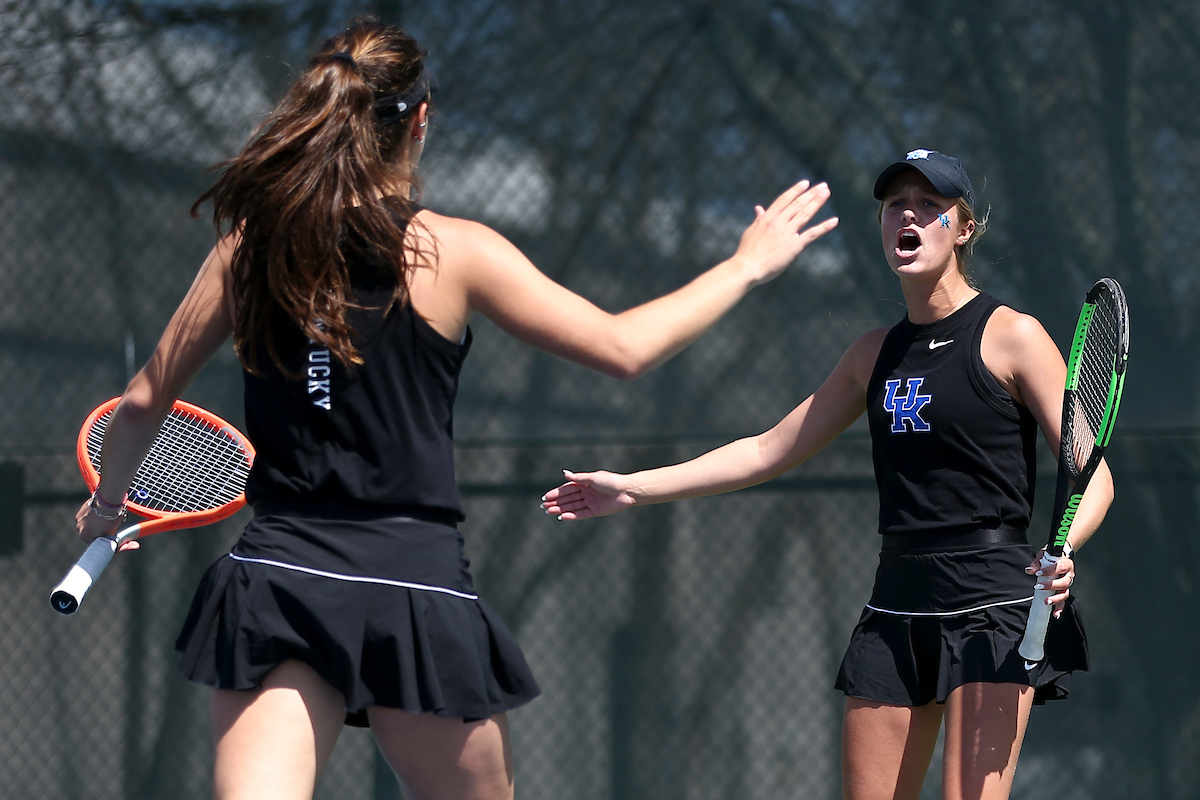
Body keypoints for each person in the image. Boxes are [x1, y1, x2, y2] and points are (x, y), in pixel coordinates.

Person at [72, 18, 837, 800]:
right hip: (416, 588)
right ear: (421, 119)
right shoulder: (455, 251)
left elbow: (141, 404)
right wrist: (744, 267)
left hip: (281, 581)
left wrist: (105, 508)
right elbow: (625, 348)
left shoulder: (249, 247)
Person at [540, 149, 1113, 800]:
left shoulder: (1013, 336)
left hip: (993, 606)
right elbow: (765, 451)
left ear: (963, 228)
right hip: (894, 605)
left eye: (931, 205)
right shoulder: (871, 353)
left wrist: (1066, 547)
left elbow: (1093, 475)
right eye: (898, 203)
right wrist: (634, 487)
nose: (910, 215)